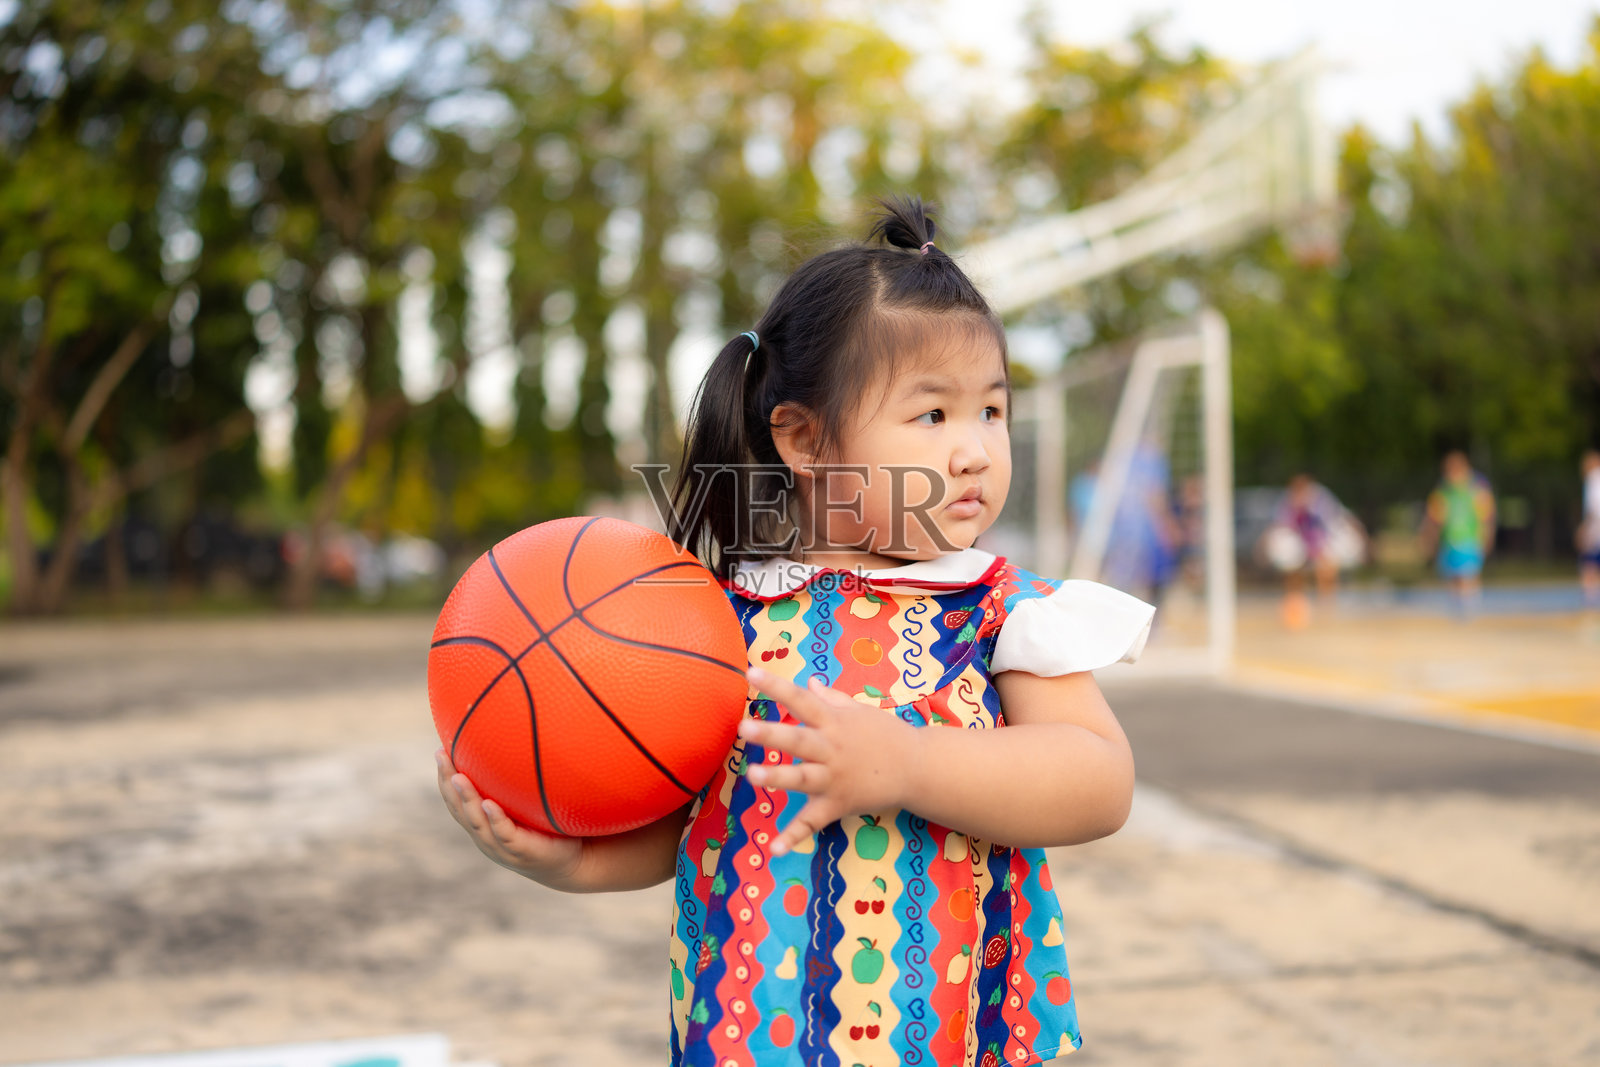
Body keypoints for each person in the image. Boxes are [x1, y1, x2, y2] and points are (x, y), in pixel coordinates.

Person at [435, 196, 1154, 1066]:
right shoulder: (712, 626)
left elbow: (1098, 780)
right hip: (751, 1033)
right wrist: (567, 862)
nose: (975, 450)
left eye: (992, 412)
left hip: (947, 1035)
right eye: (934, 415)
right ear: (805, 441)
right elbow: (695, 820)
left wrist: (909, 761)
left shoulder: (1001, 610)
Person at [1260, 474, 1364, 630]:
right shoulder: (1287, 502)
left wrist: (1319, 550)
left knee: (1325, 567)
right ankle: (1295, 603)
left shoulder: (1322, 501)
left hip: (1325, 539)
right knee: (1292, 567)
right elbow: (1280, 527)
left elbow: (1329, 527)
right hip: (1301, 542)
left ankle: (1326, 605)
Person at [1421, 450, 1496, 616]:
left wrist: (1486, 536)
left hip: (1469, 541)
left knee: (1468, 576)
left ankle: (1471, 609)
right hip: (1449, 541)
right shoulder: (1443, 493)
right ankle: (1457, 611)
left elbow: (1486, 517)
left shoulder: (1476, 491)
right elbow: (1433, 518)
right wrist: (1429, 538)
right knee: (1452, 578)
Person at [1578, 449, 1600, 610]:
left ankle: (1590, 601)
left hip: (1595, 529)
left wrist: (1584, 528)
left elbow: (1594, 507)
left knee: (1588, 564)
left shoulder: (1593, 479)